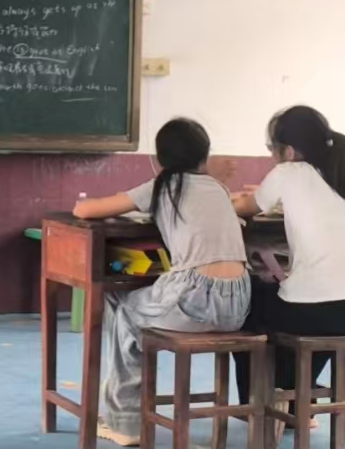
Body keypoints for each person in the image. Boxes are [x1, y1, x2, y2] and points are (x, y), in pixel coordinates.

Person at [73, 118, 250, 446]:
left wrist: (84, 203)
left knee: (123, 312)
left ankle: (125, 422)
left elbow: (85, 211)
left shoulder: (163, 185)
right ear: (204, 156)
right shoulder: (217, 188)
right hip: (239, 302)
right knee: (128, 304)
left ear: (159, 159)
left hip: (194, 296)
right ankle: (130, 411)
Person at [233, 105, 345, 415]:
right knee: (314, 310)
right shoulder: (338, 169)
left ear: (290, 151)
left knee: (246, 306)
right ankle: (299, 398)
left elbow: (245, 208)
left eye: (272, 148)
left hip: (313, 311)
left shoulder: (287, 173)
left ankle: (259, 405)